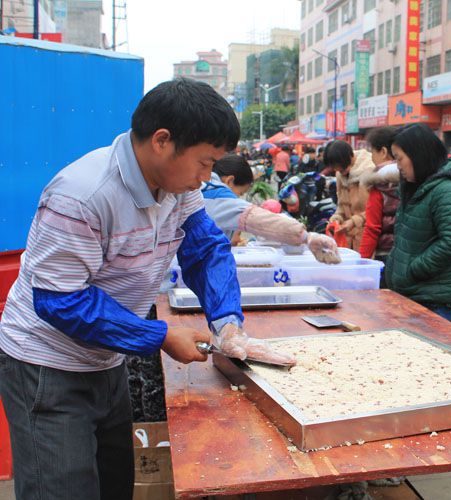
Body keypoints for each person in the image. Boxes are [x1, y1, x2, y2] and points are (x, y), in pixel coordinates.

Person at [0, 79, 294, 500]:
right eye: (204, 163)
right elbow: (60, 300)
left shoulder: (177, 189)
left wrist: (227, 321)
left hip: (105, 358)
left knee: (115, 484)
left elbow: (206, 249)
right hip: (47, 367)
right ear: (162, 141)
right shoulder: (82, 195)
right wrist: (158, 336)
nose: (206, 178)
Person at [384, 123, 451, 321]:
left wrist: (414, 269)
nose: (398, 165)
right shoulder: (417, 185)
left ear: (417, 154)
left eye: (399, 158)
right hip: (413, 295)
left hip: (432, 301)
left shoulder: (446, 190)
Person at [201, 154, 340, 262]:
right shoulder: (219, 196)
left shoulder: (201, 185)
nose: (238, 199)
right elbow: (261, 220)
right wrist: (306, 237)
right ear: (230, 181)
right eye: (241, 193)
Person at [323, 140, 377, 250]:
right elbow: (342, 206)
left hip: (368, 239)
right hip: (348, 241)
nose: (337, 170)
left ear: (349, 157)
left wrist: (354, 221)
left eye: (338, 167)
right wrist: (337, 218)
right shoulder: (340, 174)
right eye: (334, 168)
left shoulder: (370, 171)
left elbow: (376, 211)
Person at [359, 126, 400, 262]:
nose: (371, 157)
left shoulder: (378, 184)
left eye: (372, 152)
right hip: (409, 253)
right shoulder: (410, 178)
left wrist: (361, 262)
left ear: (383, 151)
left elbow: (372, 228)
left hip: (386, 254)